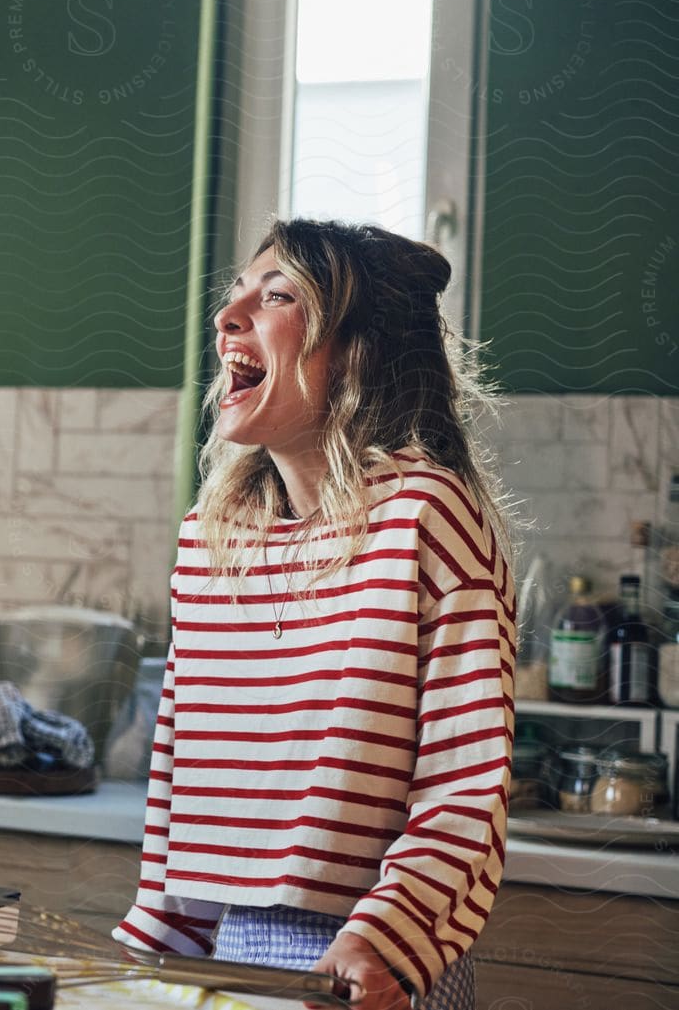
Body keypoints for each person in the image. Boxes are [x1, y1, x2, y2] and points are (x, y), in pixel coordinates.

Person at [114, 218, 516, 1010]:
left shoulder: (426, 516)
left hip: (368, 960)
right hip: (230, 954)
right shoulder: (211, 539)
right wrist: (151, 955)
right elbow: (176, 778)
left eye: (278, 297)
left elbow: (465, 788)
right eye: (234, 298)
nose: (229, 318)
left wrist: (385, 938)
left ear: (357, 352)